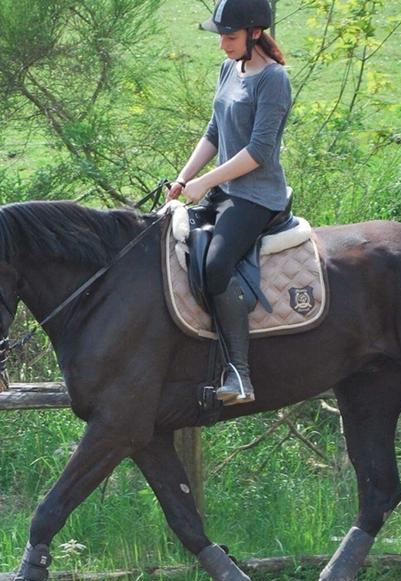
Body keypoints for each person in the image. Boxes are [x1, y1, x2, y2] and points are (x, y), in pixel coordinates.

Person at [167, 0, 292, 404]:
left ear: (255, 33)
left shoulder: (274, 80)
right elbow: (214, 132)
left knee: (217, 263)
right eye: (221, 36)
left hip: (258, 195)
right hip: (225, 190)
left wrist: (205, 182)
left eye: (230, 37)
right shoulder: (228, 69)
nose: (222, 44)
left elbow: (258, 151)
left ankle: (239, 372)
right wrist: (184, 177)